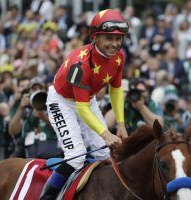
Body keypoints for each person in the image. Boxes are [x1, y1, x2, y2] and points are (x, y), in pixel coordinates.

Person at [39, 9, 129, 199]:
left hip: (88, 100)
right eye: (109, 38)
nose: (115, 44)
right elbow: (81, 108)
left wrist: (120, 125)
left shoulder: (119, 57)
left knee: (105, 155)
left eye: (118, 38)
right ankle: (47, 197)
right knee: (77, 156)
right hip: (62, 101)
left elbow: (116, 90)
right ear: (95, 37)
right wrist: (106, 134)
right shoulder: (81, 63)